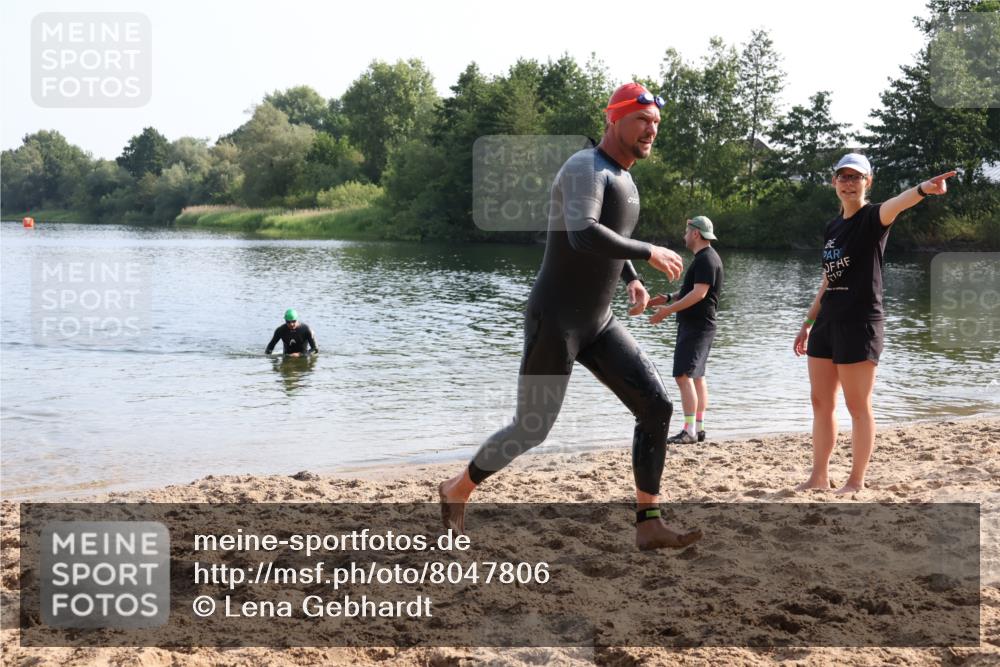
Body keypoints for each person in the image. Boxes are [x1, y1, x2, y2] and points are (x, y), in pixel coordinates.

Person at [438, 82, 703, 550]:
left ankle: (649, 523)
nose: (650, 130)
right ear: (613, 119)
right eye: (641, 120)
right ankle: (457, 489)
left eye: (656, 124)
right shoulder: (586, 167)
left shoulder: (624, 178)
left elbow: (607, 237)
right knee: (532, 427)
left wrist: (630, 280)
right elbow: (582, 233)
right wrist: (648, 252)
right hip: (556, 320)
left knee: (657, 406)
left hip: (597, 322)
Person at [793, 153, 955, 494]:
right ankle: (818, 476)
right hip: (827, 322)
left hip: (860, 323)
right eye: (843, 177)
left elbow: (898, 203)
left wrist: (924, 188)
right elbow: (828, 277)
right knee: (821, 402)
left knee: (857, 405)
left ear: (868, 182)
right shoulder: (832, 227)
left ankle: (855, 480)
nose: (848, 183)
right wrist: (808, 320)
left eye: (856, 177)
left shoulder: (872, 217)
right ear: (834, 182)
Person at [647, 215, 724, 444]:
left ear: (695, 234)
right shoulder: (705, 258)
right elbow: (693, 290)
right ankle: (698, 428)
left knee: (683, 376)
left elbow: (699, 294)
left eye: (686, 232)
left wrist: (667, 310)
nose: (684, 236)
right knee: (697, 377)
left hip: (697, 326)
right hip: (700, 325)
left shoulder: (706, 259)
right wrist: (668, 297)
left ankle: (690, 430)